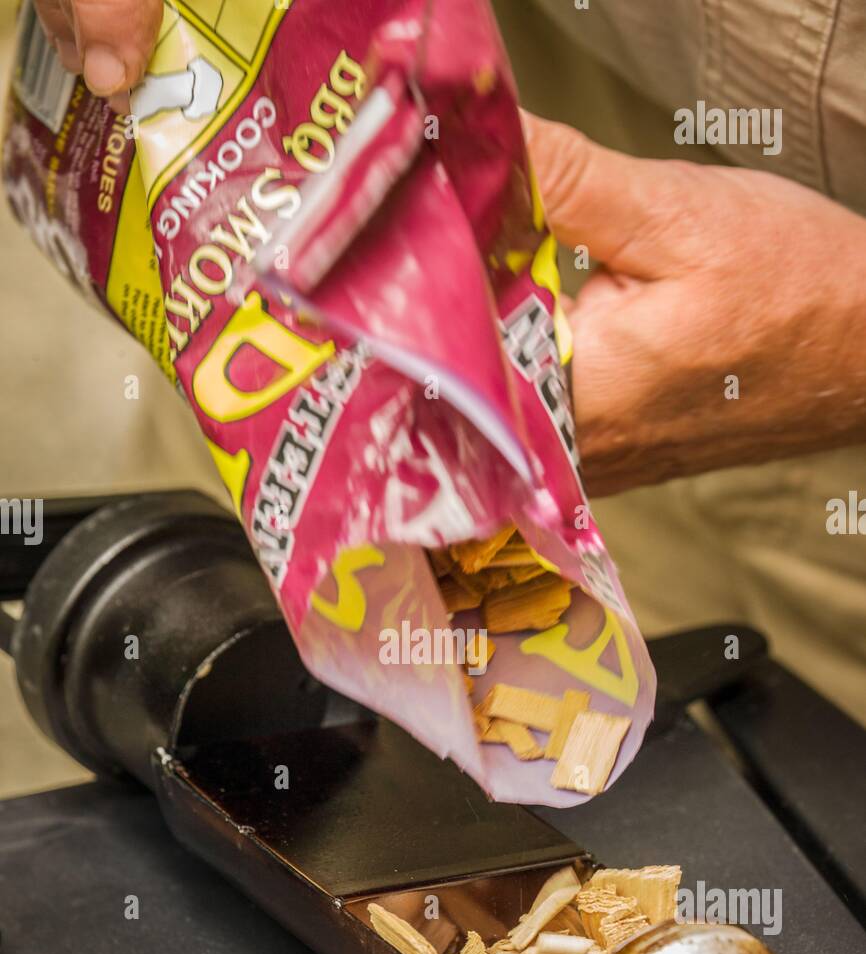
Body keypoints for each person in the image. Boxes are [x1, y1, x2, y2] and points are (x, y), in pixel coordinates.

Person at [35, 0, 866, 723]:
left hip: (829, 457)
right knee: (216, 691)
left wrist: (849, 335)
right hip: (465, 98)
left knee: (790, 816)